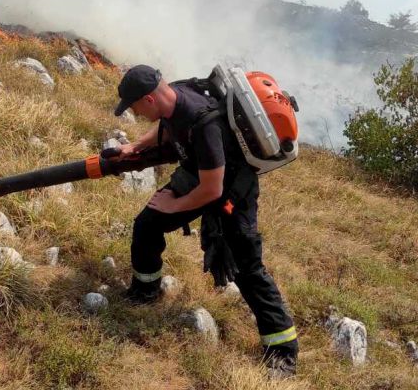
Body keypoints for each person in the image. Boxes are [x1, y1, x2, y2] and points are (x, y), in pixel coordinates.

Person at [112, 64, 298, 378]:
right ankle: (145, 292)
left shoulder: (204, 122)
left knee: (246, 267)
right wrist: (137, 146)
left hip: (231, 191)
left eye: (135, 106)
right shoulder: (174, 95)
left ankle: (283, 352)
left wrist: (175, 205)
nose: (135, 112)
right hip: (199, 173)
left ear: (149, 99)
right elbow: (166, 127)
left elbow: (212, 189)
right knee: (147, 225)